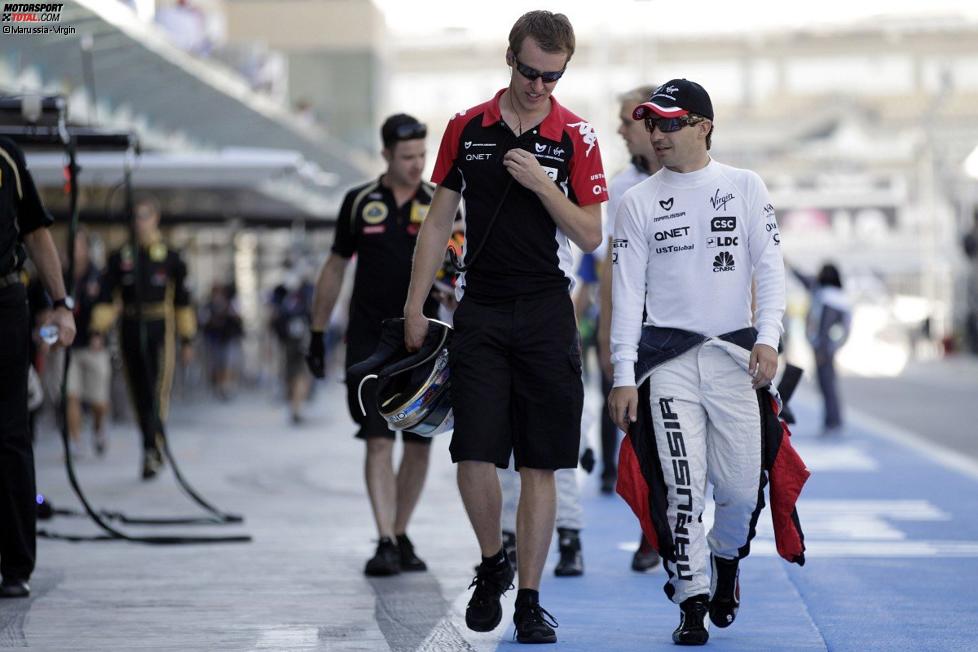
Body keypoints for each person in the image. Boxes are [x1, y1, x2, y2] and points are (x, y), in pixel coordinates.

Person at [402, 11, 607, 644]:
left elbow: (591, 233)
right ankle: (493, 562)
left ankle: (531, 598)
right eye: (529, 71)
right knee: (474, 452)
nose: (539, 86)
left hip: (548, 308)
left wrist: (544, 185)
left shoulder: (578, 134)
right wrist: (415, 306)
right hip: (481, 307)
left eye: (553, 76)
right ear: (508, 58)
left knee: (543, 462)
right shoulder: (466, 127)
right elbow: (438, 223)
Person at [608, 79, 785, 645]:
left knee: (737, 490)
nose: (657, 133)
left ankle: (726, 561)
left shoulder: (745, 186)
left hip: (736, 360)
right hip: (668, 363)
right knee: (683, 489)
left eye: (670, 122)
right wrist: (622, 374)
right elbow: (626, 295)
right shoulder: (635, 201)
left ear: (703, 126)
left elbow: (771, 270)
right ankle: (690, 599)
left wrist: (770, 337)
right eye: (652, 123)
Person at [306, 113, 447, 577]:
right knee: (377, 441)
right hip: (370, 342)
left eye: (422, 155)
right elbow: (334, 267)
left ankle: (401, 531)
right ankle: (384, 538)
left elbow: (459, 270)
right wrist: (316, 330)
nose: (417, 164)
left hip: (424, 343)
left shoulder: (440, 202)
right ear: (386, 154)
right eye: (407, 157)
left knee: (420, 444)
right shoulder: (359, 202)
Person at [0, 135, 76, 598]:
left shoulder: (6, 157)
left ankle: (14, 564)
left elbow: (35, 231)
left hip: (3, 301)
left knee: (9, 432)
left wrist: (62, 303)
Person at [596, 84, 664, 573]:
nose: (620, 130)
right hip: (641, 336)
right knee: (642, 437)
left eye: (626, 120)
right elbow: (610, 268)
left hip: (695, 333)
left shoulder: (708, 179)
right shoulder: (622, 187)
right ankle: (652, 527)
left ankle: (692, 536)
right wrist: (607, 337)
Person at [91, 199, 196, 480]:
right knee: (138, 392)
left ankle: (153, 447)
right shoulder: (120, 256)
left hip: (159, 327)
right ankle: (149, 446)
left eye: (145, 216)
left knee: (156, 390)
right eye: (135, 217)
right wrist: (98, 330)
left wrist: (187, 339)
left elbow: (184, 300)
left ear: (156, 218)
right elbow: (105, 296)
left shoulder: (171, 257)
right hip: (130, 326)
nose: (140, 222)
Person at [65, 227, 111, 456]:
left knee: (98, 401)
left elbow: (109, 307)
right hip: (69, 345)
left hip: (94, 344)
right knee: (71, 394)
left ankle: (98, 428)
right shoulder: (63, 275)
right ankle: (75, 440)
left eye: (79, 245)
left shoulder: (98, 276)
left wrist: (99, 331)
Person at [791, 263, 851, 437]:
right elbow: (806, 281)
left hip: (824, 350)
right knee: (826, 384)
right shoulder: (828, 294)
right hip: (824, 348)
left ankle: (833, 421)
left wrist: (822, 351)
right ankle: (831, 420)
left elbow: (825, 328)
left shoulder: (829, 298)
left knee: (827, 384)